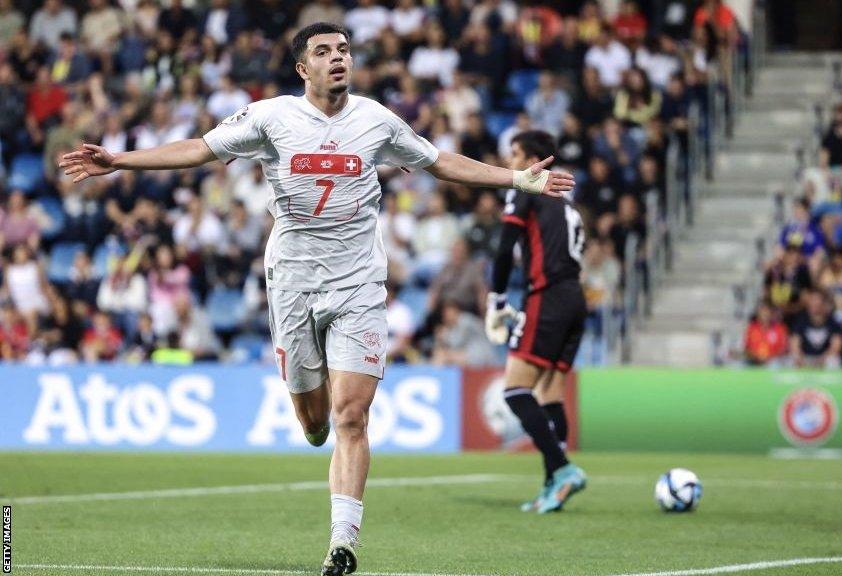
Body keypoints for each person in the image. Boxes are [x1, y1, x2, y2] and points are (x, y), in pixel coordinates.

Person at [58, 23, 574, 576]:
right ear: (303, 69)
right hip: (292, 285)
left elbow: (440, 160)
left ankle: (342, 543)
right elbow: (200, 149)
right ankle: (309, 393)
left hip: (358, 285)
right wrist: (121, 160)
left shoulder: (376, 120)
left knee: (352, 415)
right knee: (315, 425)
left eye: (344, 50)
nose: (338, 59)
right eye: (324, 52)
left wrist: (515, 180)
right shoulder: (270, 117)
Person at [484, 130, 588, 514]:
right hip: (575, 299)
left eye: (514, 154)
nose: (510, 162)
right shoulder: (568, 204)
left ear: (532, 160)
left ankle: (562, 470)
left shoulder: (527, 187)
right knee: (549, 395)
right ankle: (553, 487)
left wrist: (496, 299)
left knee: (515, 391)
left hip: (547, 297)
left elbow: (504, 246)